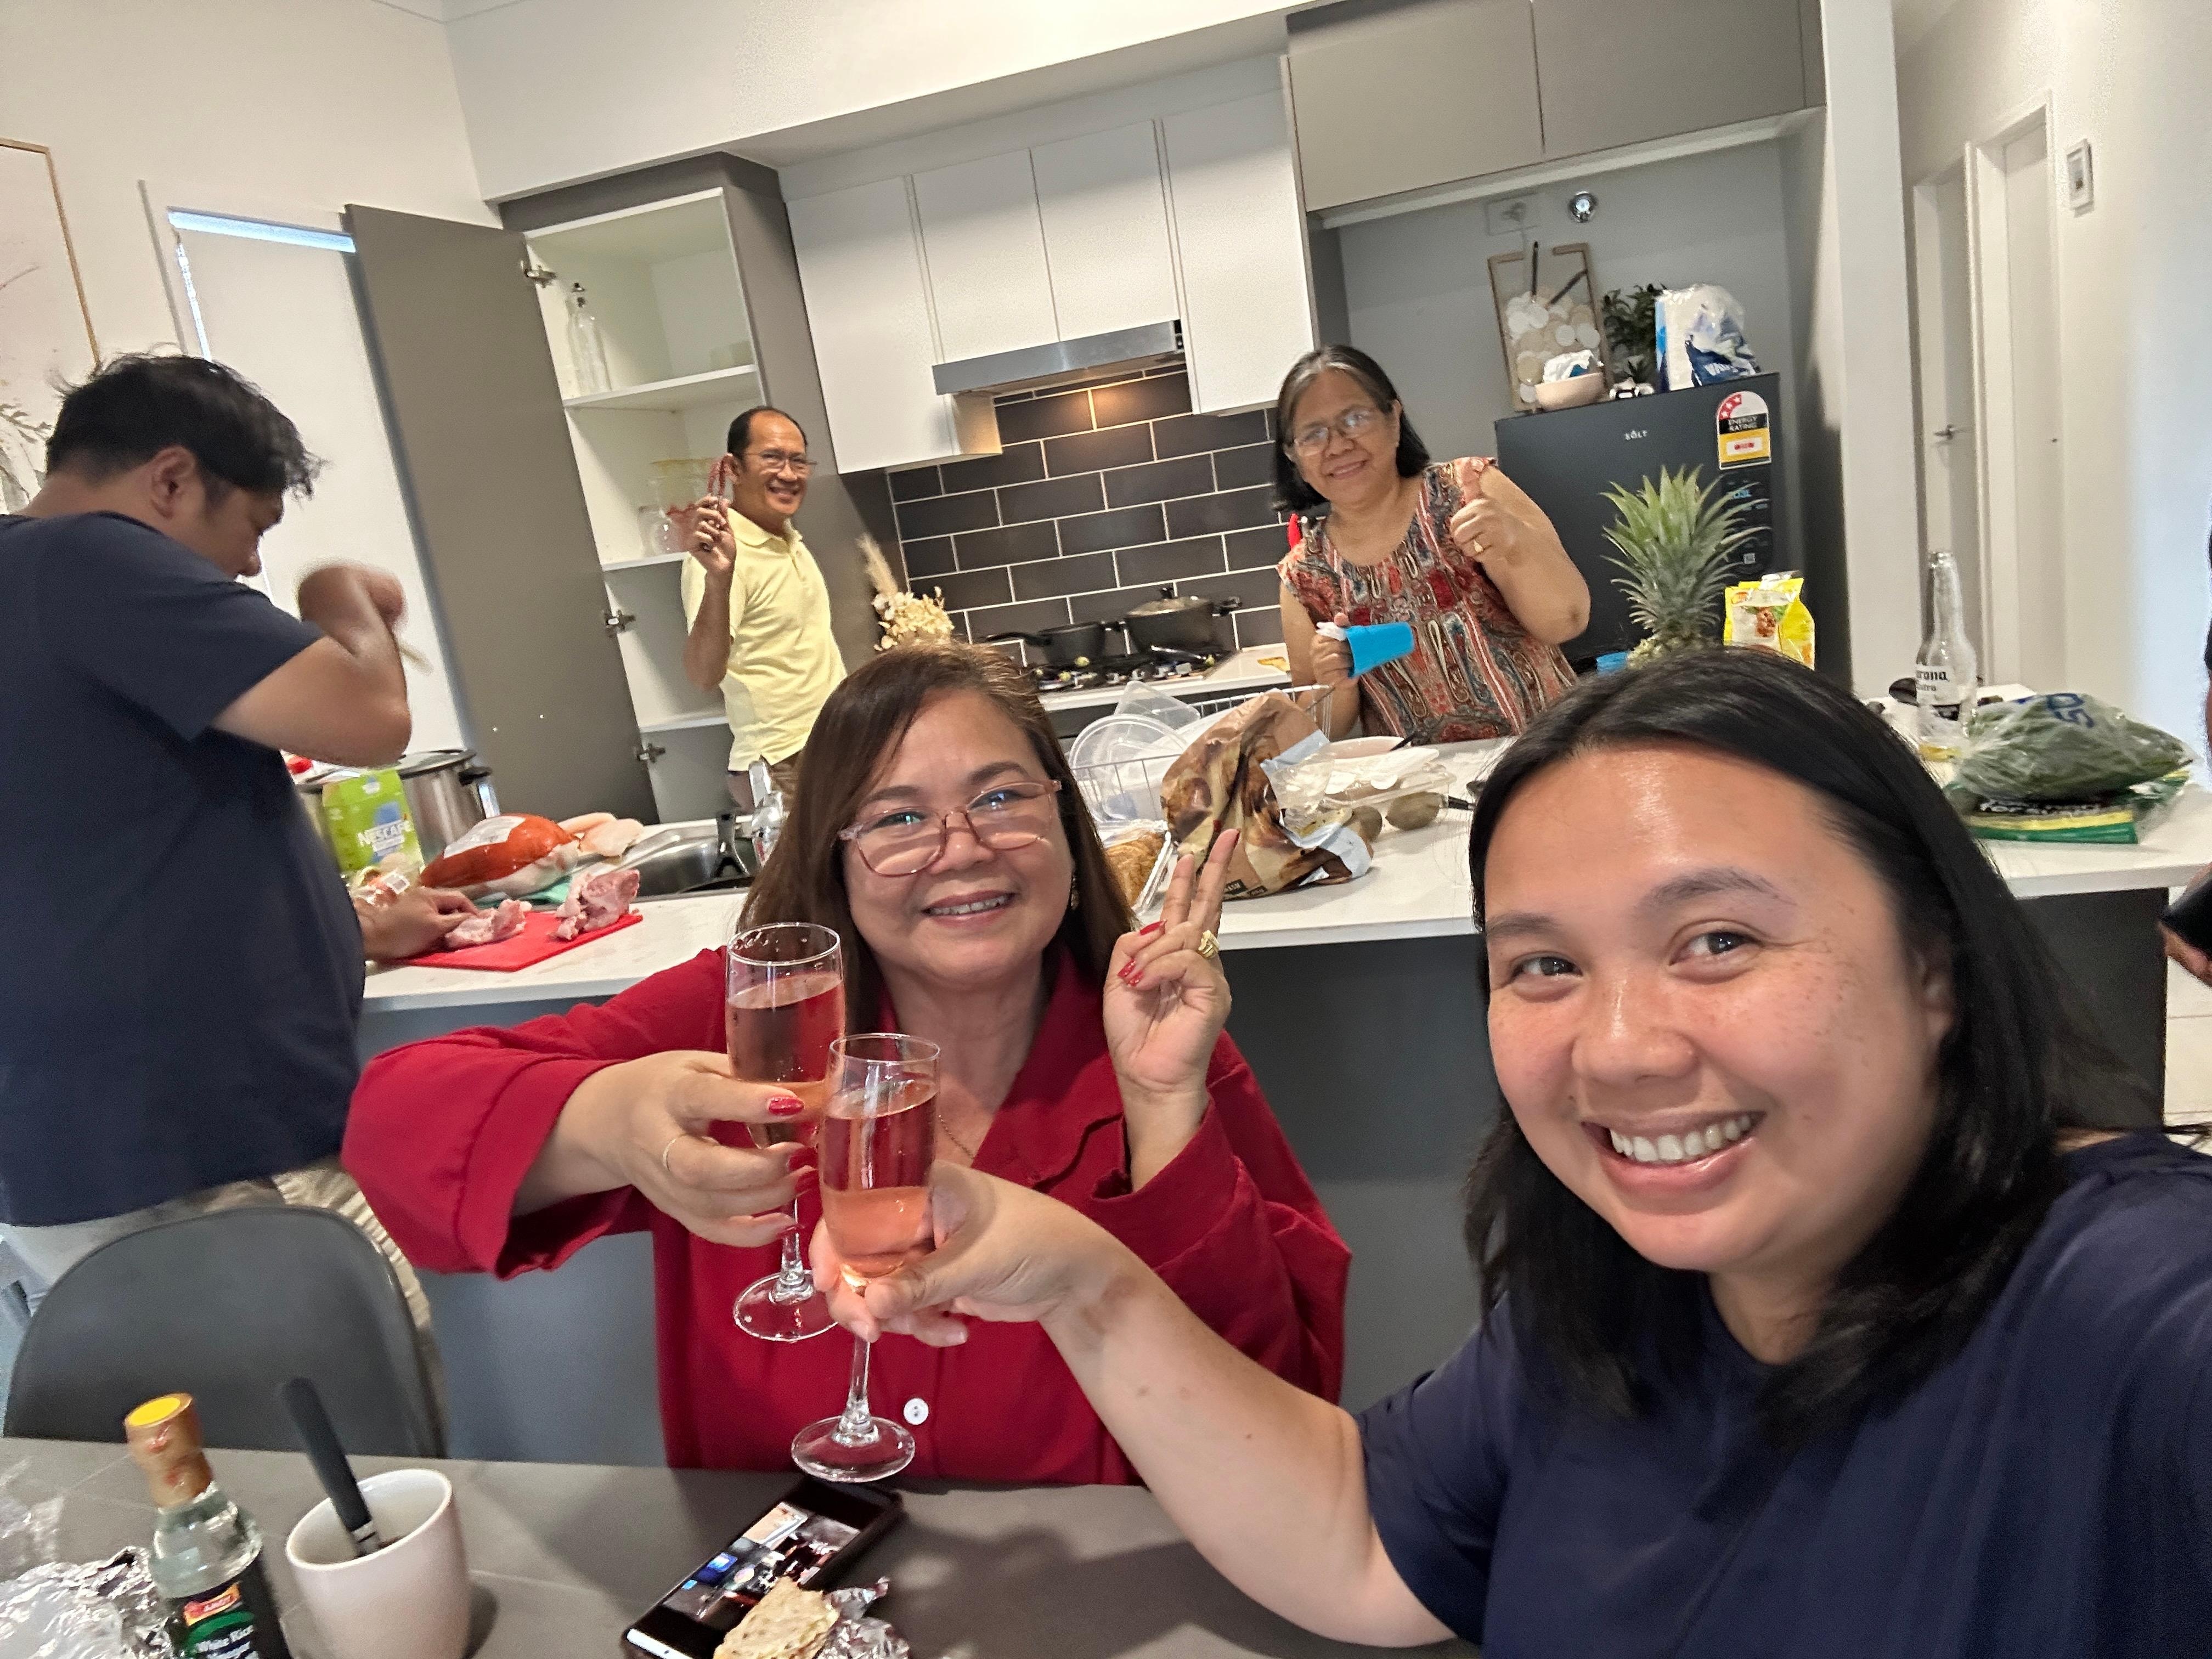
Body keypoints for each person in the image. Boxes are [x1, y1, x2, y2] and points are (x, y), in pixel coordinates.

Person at [825, 648, 2212, 1653]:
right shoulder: (1609, 1299)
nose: (1617, 1050)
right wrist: (1076, 1276)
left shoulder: (2119, 1312)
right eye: (1542, 964)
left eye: (1716, 941)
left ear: (1937, 961)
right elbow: (1366, 1539)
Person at [346, 641, 1347, 1479]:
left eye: (1001, 795)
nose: (961, 847)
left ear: (1063, 821)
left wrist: (1164, 1114)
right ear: (831, 852)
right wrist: (609, 1121)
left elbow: (1286, 1424)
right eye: (898, 817)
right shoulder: (745, 1019)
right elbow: (397, 1129)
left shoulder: (1155, 1043)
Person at [0, 354, 441, 1337]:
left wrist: (350, 932)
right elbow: (368, 716)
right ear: (170, 479)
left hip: (92, 1145)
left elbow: (95, 862)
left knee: (219, 1464)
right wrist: (342, 600)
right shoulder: (87, 558)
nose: (248, 568)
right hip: (197, 1147)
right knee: (348, 1456)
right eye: (251, 529)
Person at [1274, 345, 1588, 742]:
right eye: (1313, 434)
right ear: (1293, 456)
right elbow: (1319, 731)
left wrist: (1515, 543)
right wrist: (1333, 682)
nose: (1337, 446)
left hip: (1544, 759)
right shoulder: (1304, 576)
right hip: (1424, 797)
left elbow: (1568, 620)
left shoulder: (1471, 491)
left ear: (1394, 418)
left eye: (1355, 419)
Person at [680, 406, 844, 810]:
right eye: (771, 458)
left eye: (798, 460)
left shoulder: (787, 537)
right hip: (783, 762)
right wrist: (719, 581)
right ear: (733, 469)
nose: (788, 474)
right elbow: (703, 675)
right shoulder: (719, 554)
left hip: (830, 743)